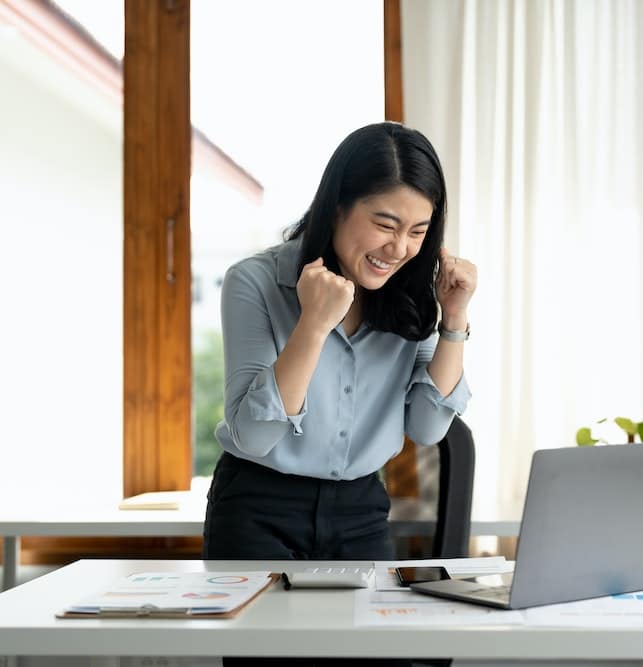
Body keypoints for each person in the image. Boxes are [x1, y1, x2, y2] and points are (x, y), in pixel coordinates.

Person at [203, 122, 476, 667]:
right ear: (335, 208)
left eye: (419, 231)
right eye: (385, 224)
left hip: (360, 513)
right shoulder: (254, 282)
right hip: (258, 509)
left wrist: (454, 320)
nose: (399, 248)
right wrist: (312, 325)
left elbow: (426, 428)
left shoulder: (411, 298)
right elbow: (253, 435)